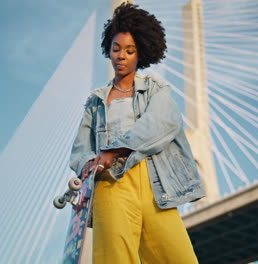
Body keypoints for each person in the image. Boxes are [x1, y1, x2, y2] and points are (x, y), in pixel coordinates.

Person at [69, 2, 205, 263]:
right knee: (114, 259)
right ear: (108, 50)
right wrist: (87, 165)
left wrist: (114, 149)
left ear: (140, 54)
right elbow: (80, 149)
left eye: (129, 51)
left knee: (179, 258)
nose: (121, 55)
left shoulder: (156, 89)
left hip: (156, 187)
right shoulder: (96, 102)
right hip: (111, 186)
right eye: (116, 48)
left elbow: (163, 122)